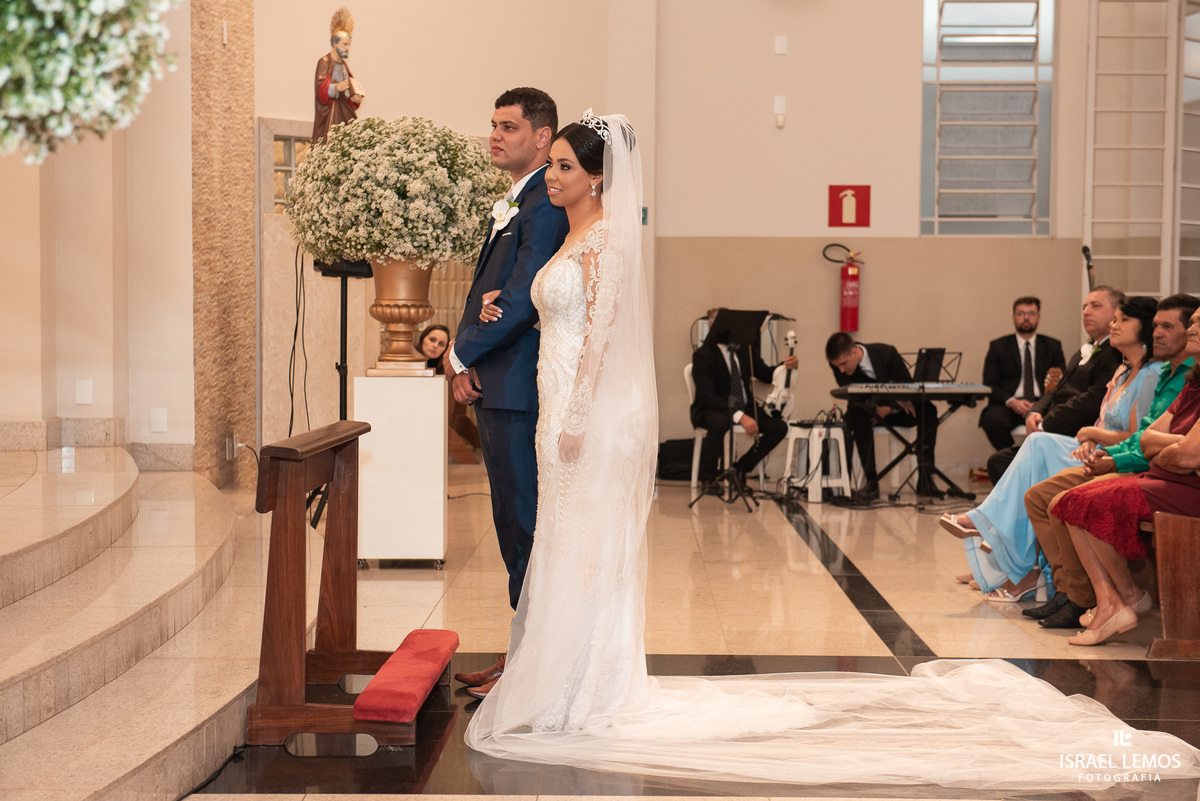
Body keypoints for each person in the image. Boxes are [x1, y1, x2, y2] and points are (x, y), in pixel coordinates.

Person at [461, 110, 1200, 790]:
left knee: (584, 543)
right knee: (563, 543)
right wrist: (502, 311)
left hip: (582, 412)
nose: (551, 177)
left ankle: (585, 685)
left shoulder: (606, 239)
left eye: (562, 166)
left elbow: (597, 339)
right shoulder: (560, 236)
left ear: (596, 175)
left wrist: (580, 412)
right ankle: (566, 677)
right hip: (556, 401)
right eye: (550, 165)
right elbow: (548, 310)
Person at [444, 88, 570, 696]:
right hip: (500, 381)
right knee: (511, 524)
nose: (496, 135)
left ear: (542, 137)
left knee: (523, 524)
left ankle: (532, 667)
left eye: (510, 127)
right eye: (492, 124)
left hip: (519, 386)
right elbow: (494, 295)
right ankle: (523, 651)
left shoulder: (545, 203)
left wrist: (463, 350)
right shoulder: (519, 200)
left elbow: (520, 300)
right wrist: (471, 355)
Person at [939, 297, 1161, 601]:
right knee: (1026, 451)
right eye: (1085, 305)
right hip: (1091, 444)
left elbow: (1133, 433)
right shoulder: (1121, 370)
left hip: (1113, 454)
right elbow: (1062, 394)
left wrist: (1089, 435)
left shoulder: (1142, 371)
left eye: (1117, 317)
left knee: (1036, 450)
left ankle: (1004, 553)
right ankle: (1005, 560)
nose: (1109, 323)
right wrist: (1084, 437)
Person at [1021, 294, 1199, 628]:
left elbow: (1184, 451)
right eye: (1157, 325)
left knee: (1066, 497)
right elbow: (1146, 438)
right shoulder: (1178, 377)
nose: (1159, 332)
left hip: (1162, 476)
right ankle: (1071, 592)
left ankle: (1101, 596)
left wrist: (1117, 453)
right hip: (1144, 466)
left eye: (1169, 326)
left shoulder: (1163, 373)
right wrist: (1148, 449)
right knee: (1039, 493)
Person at [985, 286, 1124, 483]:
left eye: (1095, 306)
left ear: (1117, 313)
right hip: (1040, 416)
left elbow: (1093, 400)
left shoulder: (1115, 353)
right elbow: (1058, 389)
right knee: (995, 434)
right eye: (1084, 307)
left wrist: (1046, 424)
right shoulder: (1083, 351)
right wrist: (1034, 412)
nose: (1086, 311)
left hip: (1071, 432)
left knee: (1000, 463)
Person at [825, 334, 938, 499]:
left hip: (895, 412)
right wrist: (877, 408)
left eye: (843, 364)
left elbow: (906, 384)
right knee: (857, 413)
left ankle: (926, 480)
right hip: (867, 413)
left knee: (928, 411)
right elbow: (853, 394)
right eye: (837, 366)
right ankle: (871, 482)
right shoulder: (838, 366)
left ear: (854, 352)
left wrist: (889, 407)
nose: (841, 370)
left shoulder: (887, 353)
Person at [690, 320, 798, 483]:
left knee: (779, 427)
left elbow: (766, 374)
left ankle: (739, 469)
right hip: (713, 408)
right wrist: (739, 416)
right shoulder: (704, 355)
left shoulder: (745, 349)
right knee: (719, 422)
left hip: (744, 405)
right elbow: (707, 396)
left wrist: (786, 367)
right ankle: (708, 477)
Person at [979, 297, 1066, 450]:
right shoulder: (998, 346)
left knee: (1065, 417)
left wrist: (1040, 404)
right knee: (991, 419)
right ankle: (1014, 459)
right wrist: (1012, 402)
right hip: (1010, 406)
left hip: (1044, 404)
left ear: (1038, 317)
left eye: (1031, 313)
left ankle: (1042, 460)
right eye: (1021, 313)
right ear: (1013, 317)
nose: (1026, 318)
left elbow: (1062, 382)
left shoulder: (1053, 346)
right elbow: (989, 384)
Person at [311, 7, 363, 143]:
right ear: (335, 43)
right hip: (330, 114)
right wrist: (335, 88)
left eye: (349, 45)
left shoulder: (344, 66)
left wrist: (355, 97)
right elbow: (320, 88)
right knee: (331, 141)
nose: (347, 48)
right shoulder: (325, 62)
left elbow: (348, 87)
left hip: (344, 112)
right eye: (344, 44)